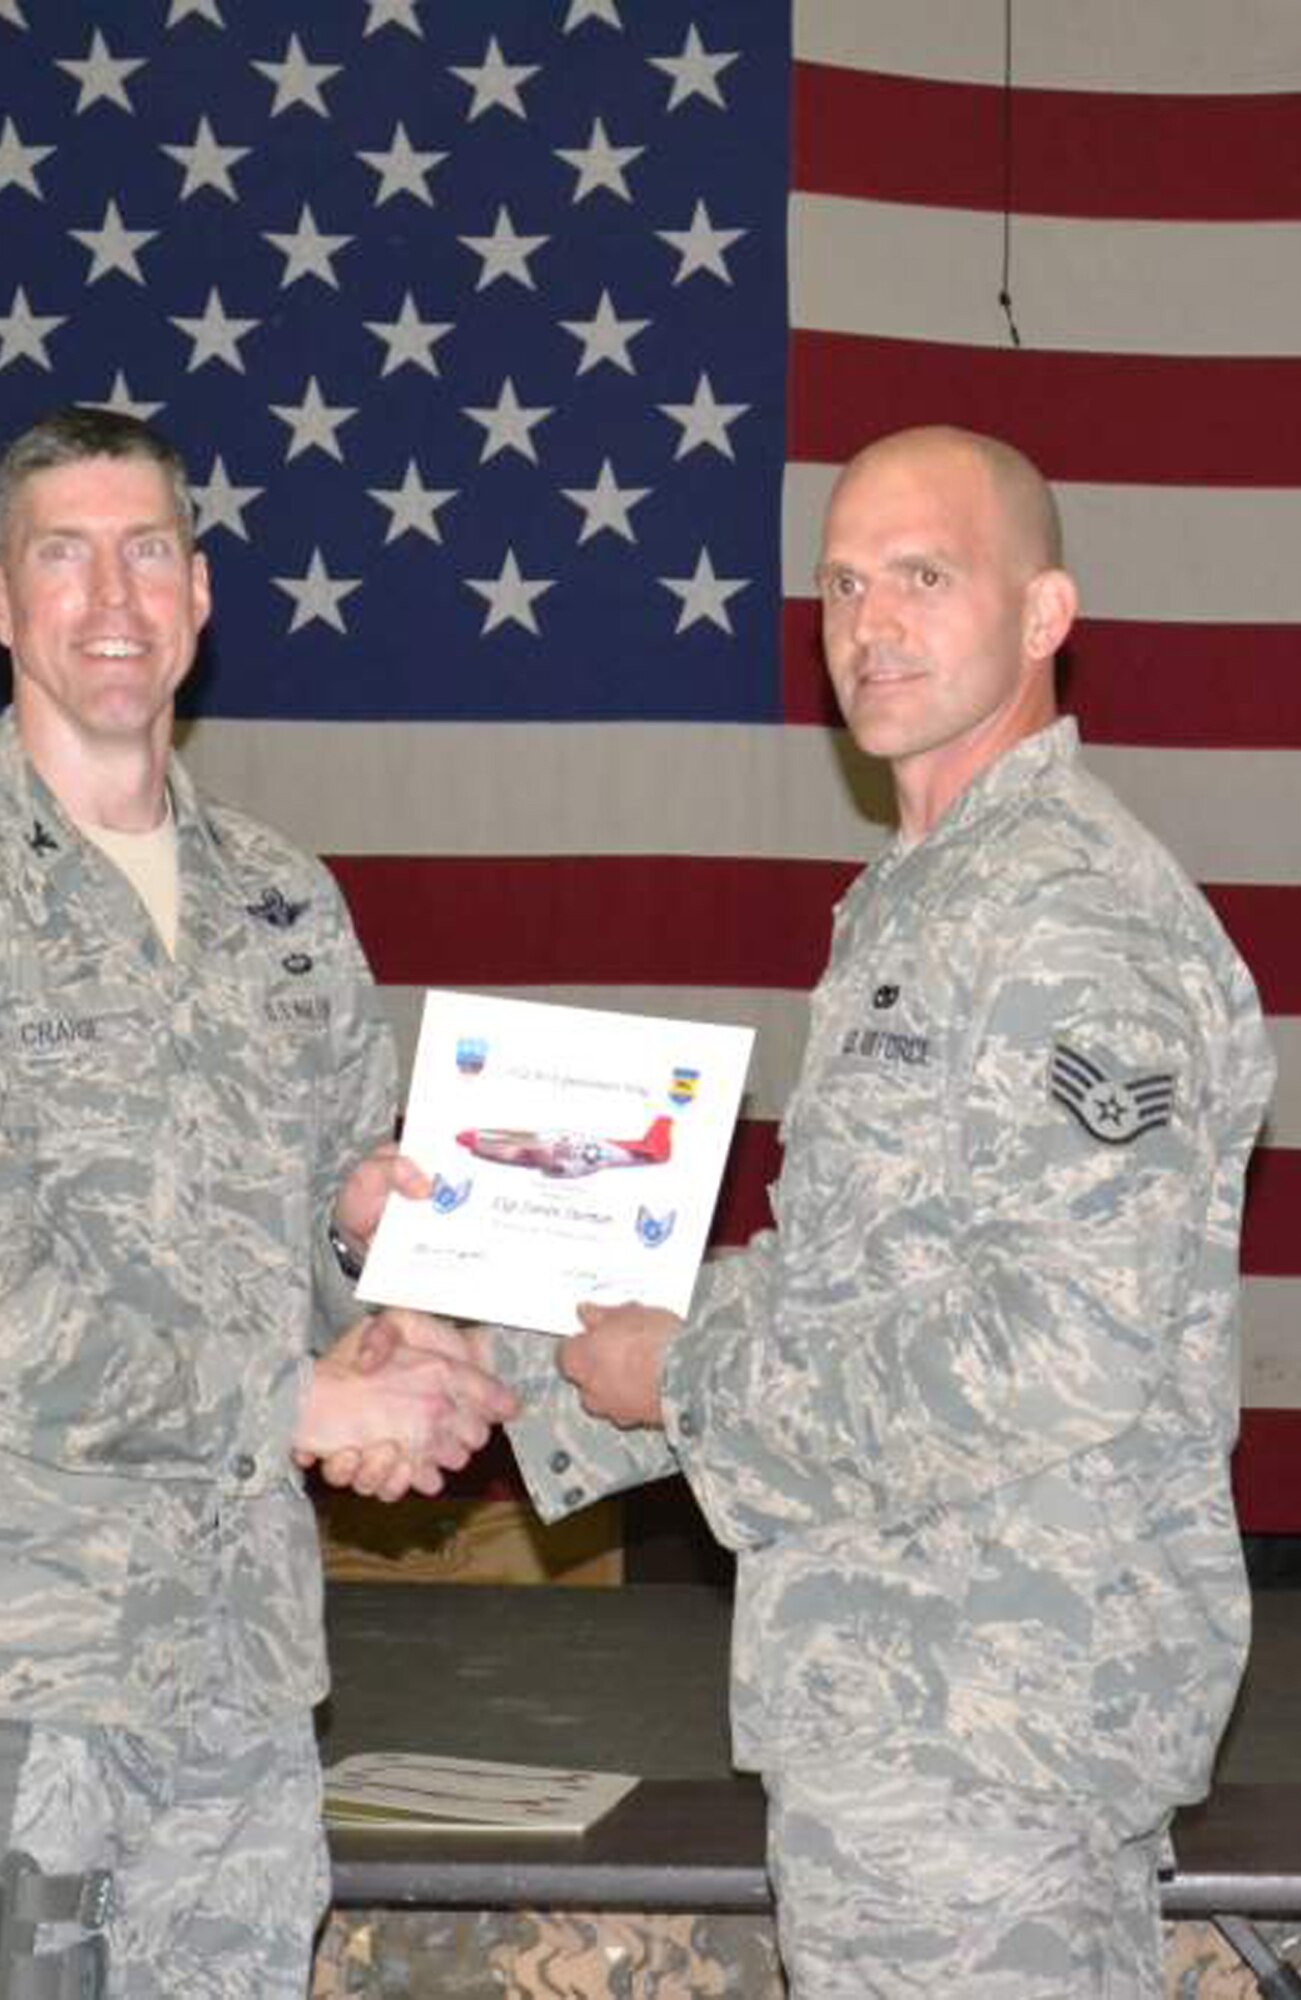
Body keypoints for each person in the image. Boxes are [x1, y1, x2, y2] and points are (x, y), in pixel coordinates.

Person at [483, 426, 1274, 1995]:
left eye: (922, 577)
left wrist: (685, 1380)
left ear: (1043, 615)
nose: (870, 624)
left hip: (993, 1725)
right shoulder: (923, 896)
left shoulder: (1068, 919)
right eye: (842, 585)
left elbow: (1051, 1347)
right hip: (909, 1709)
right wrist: (501, 1314)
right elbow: (844, 1284)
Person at [0, 404, 515, 1999]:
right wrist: (297, 1400)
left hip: (237, 1671)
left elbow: (326, 1222)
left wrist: (370, 1249)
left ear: (199, 592)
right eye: (64, 557)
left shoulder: (281, 902)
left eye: (147, 553)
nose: (111, 598)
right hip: (5, 1675)